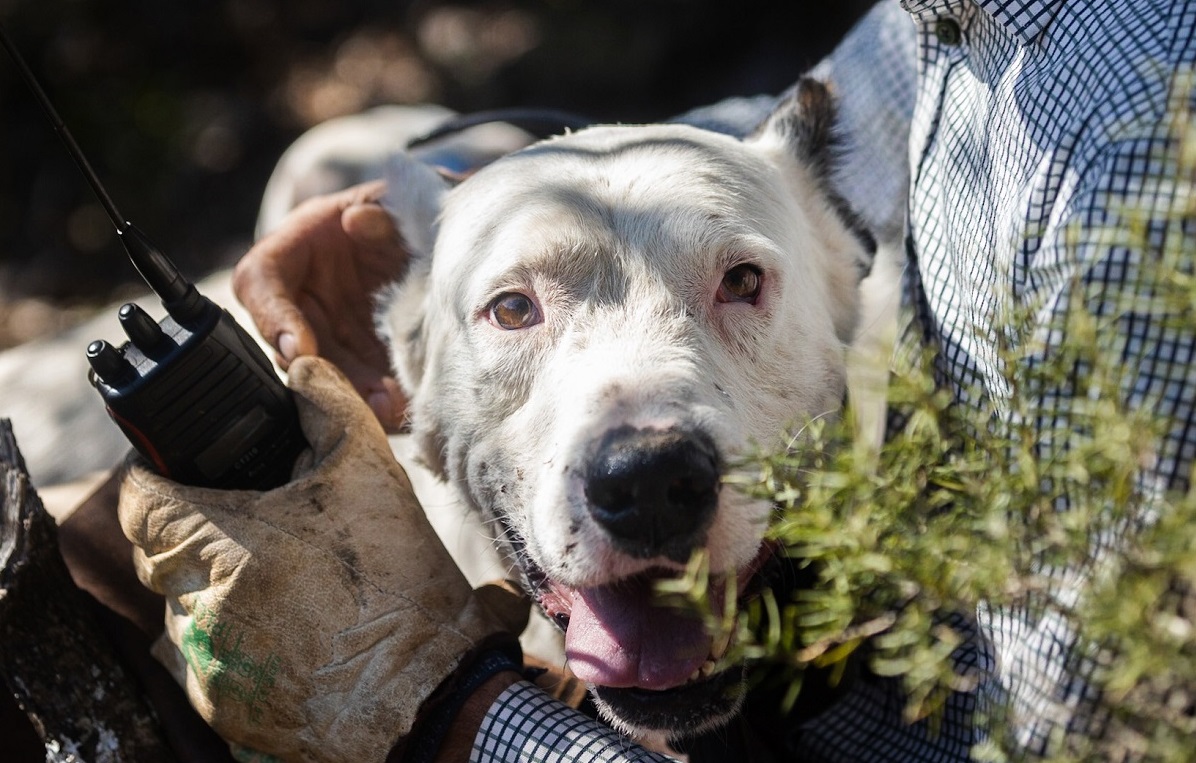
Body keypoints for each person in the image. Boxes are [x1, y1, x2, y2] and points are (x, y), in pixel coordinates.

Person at [119, 0, 1196, 760]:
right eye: (510, 310)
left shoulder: (1137, 144)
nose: (640, 461)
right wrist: (485, 186)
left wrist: (446, 711)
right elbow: (802, 140)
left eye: (741, 284)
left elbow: (1088, 737)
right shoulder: (977, 15)